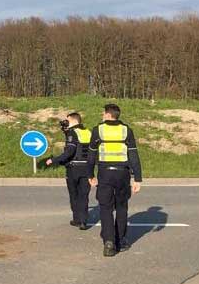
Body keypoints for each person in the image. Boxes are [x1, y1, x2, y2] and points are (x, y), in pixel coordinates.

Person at [88, 103, 142, 257]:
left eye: (103, 113)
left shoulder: (98, 130)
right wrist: (137, 179)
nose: (102, 115)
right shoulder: (126, 130)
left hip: (105, 173)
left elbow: (91, 155)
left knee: (105, 207)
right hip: (123, 174)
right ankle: (120, 240)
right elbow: (133, 155)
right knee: (121, 207)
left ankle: (109, 242)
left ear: (107, 114)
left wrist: (90, 175)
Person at [45, 112, 93, 230]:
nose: (65, 123)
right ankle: (83, 221)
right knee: (84, 195)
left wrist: (54, 160)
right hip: (87, 168)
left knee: (74, 194)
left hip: (74, 168)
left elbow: (70, 152)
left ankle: (77, 220)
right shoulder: (88, 132)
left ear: (73, 120)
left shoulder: (72, 133)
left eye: (67, 121)